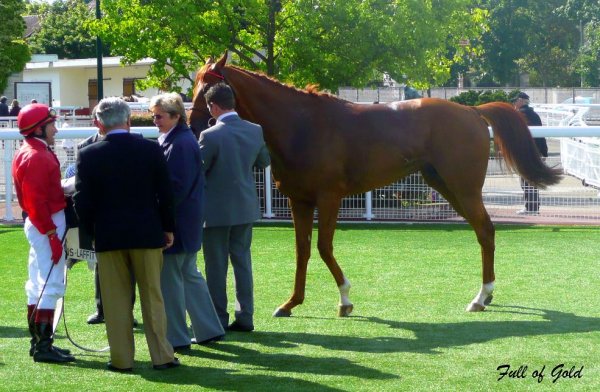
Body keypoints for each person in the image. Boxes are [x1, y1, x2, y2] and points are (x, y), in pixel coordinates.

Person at [73, 97, 179, 372]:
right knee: (152, 296)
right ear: (129, 120)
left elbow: (82, 201)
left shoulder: (88, 154)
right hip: (147, 233)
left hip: (109, 237)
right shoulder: (150, 148)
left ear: (99, 123)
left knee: (115, 301)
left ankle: (121, 359)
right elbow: (165, 194)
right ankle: (163, 356)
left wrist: (92, 232)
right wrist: (168, 228)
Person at [150, 92, 225, 350]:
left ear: (175, 116)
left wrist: (161, 218)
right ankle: (208, 329)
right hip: (188, 220)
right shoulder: (182, 139)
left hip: (179, 222)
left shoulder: (179, 143)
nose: (154, 120)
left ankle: (178, 337)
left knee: (172, 279)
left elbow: (175, 187)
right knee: (189, 275)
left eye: (159, 116)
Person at [199, 83, 271, 332]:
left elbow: (200, 170)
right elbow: (263, 162)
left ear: (213, 106)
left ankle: (218, 318)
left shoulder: (210, 135)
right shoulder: (255, 130)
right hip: (245, 206)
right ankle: (245, 316)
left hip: (216, 211)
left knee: (216, 267)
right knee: (242, 262)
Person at [12, 103, 76, 363]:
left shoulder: (31, 151)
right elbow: (37, 202)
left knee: (36, 284)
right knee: (49, 284)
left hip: (42, 223)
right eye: (52, 124)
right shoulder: (37, 155)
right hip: (47, 223)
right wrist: (51, 235)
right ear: (39, 128)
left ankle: (39, 342)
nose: (56, 129)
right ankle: (43, 346)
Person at [512, 92, 548, 215]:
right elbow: (541, 137)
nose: (513, 104)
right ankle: (533, 208)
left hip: (526, 154)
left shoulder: (519, 115)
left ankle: (531, 209)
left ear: (521, 101)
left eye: (515, 101)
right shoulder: (535, 115)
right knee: (532, 181)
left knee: (526, 182)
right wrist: (544, 153)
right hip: (537, 152)